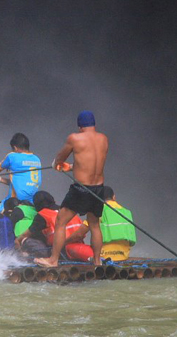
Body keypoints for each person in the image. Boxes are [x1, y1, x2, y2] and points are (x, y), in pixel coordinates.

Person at [35, 110, 109, 267]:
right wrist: (71, 167)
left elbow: (60, 158)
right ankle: (97, 261)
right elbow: (92, 163)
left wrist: (58, 165)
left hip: (81, 189)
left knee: (60, 221)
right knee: (94, 225)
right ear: (93, 124)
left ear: (80, 126)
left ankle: (53, 260)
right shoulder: (103, 139)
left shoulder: (74, 138)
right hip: (98, 188)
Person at [64, 186, 137, 262]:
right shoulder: (126, 212)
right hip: (123, 256)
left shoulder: (97, 211)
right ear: (114, 197)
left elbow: (79, 234)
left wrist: (64, 242)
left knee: (69, 247)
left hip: (103, 256)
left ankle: (96, 259)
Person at [0, 132, 42, 212]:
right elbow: (23, 183)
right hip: (32, 204)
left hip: (15, 202)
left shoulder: (13, 156)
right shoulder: (37, 159)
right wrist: (0, 179)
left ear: (15, 148)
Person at [14, 191, 83, 259]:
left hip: (61, 251)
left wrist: (17, 241)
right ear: (53, 200)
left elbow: (26, 234)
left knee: (27, 240)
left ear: (36, 206)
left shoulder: (43, 214)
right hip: (80, 245)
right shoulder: (67, 210)